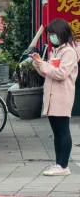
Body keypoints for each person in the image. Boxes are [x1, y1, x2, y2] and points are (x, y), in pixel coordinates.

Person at [30, 18, 80, 176]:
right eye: (49, 34)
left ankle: (63, 166)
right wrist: (39, 64)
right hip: (52, 94)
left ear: (61, 33)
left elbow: (61, 73)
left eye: (53, 34)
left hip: (62, 95)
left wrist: (44, 65)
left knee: (63, 130)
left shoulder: (69, 52)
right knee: (57, 131)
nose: (51, 37)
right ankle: (59, 163)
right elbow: (48, 73)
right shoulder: (56, 51)